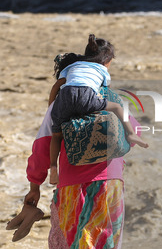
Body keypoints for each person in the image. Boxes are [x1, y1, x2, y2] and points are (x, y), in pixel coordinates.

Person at [22, 79, 141, 249]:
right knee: (104, 248)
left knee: (62, 239)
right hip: (109, 183)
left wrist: (35, 184)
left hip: (70, 184)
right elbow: (135, 133)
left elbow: (42, 148)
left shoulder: (62, 102)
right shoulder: (113, 98)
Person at [48, 34, 148, 185]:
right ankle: (132, 134)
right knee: (116, 107)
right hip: (85, 96)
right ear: (107, 61)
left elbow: (58, 85)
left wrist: (52, 107)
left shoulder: (72, 66)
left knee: (56, 136)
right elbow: (104, 90)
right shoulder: (102, 69)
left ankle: (53, 169)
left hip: (64, 97)